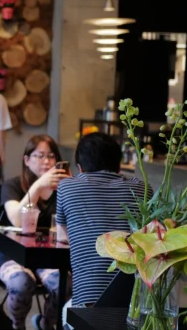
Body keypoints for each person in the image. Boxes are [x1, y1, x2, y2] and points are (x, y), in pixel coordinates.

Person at [0, 135, 68, 330]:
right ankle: (16, 329)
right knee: (21, 283)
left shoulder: (63, 189)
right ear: (26, 160)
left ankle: (46, 325)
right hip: (13, 254)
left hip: (48, 256)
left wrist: (71, 188)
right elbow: (17, 218)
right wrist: (37, 187)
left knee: (66, 285)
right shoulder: (12, 185)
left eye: (50, 156)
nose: (46, 161)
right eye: (39, 156)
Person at [56, 132, 149, 309]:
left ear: (80, 167)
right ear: (119, 166)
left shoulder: (66, 186)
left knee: (66, 314)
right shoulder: (141, 188)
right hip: (134, 301)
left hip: (88, 302)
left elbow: (62, 235)